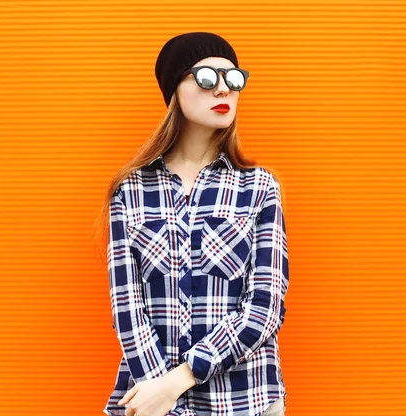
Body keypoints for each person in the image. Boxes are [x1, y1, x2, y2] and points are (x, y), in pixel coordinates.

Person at [98, 31, 289, 416]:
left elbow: (265, 307)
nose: (223, 90)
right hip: (149, 401)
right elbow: (127, 307)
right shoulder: (130, 190)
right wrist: (158, 392)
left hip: (245, 402)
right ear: (175, 91)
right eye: (206, 78)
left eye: (233, 79)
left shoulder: (258, 186)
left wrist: (178, 380)